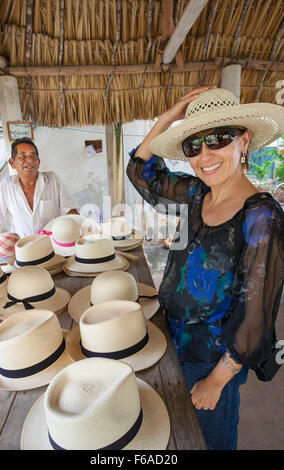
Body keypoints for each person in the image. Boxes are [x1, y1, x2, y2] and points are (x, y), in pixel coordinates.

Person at [126, 86, 284, 450]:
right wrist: (168, 118)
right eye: (192, 145)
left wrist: (217, 380)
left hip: (213, 365)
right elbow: (142, 173)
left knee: (210, 442)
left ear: (244, 141)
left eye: (217, 139)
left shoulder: (261, 218)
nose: (205, 155)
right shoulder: (198, 194)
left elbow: (255, 318)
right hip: (172, 343)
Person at [0, 137, 78, 248]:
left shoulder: (52, 179)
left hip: (53, 247)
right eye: (23, 156)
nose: (29, 160)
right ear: (12, 162)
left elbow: (71, 210)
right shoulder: (6, 185)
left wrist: (76, 231)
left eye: (33, 156)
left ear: (38, 162)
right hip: (23, 249)